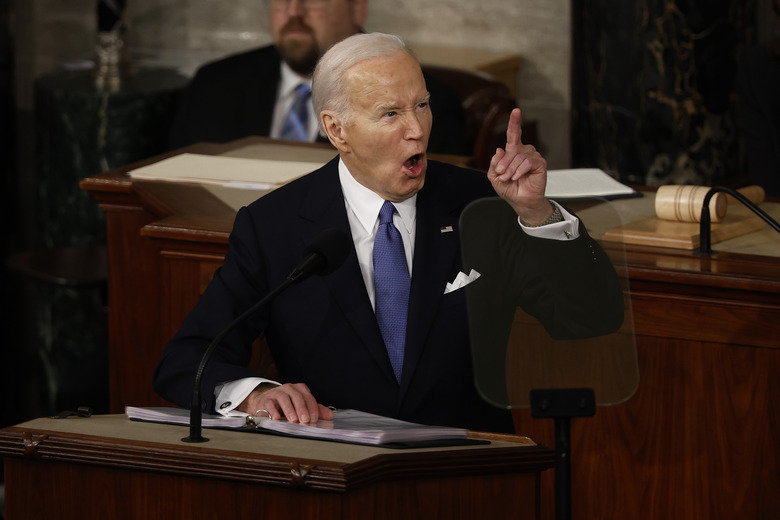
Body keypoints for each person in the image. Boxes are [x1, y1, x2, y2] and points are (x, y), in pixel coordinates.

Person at [153, 32, 624, 434]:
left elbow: (590, 318)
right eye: (390, 114)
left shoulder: (483, 204)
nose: (417, 129)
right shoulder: (273, 225)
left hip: (467, 474)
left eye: (421, 105)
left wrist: (537, 214)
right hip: (333, 475)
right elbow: (188, 358)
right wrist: (253, 392)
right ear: (337, 129)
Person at [168, 0, 466, 155]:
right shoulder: (214, 84)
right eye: (282, 0)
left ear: (357, 8)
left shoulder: (422, 104)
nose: (294, 11)